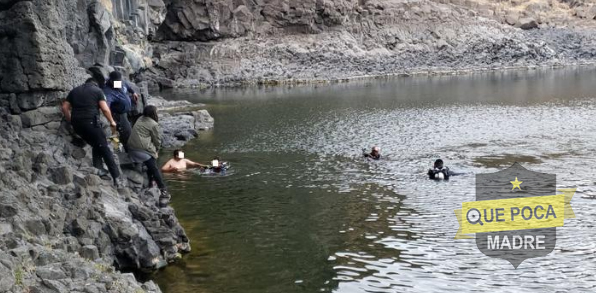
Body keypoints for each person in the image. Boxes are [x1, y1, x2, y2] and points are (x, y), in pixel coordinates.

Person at [61, 78, 124, 187]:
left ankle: (98, 169)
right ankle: (117, 178)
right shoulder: (97, 91)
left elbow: (64, 107)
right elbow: (105, 109)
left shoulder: (74, 91)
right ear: (95, 84)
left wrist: (70, 121)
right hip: (91, 123)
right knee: (104, 147)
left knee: (97, 143)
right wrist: (112, 121)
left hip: (77, 125)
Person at [127, 105, 168, 196]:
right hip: (141, 150)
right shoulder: (153, 124)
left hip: (130, 147)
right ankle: (163, 189)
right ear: (153, 113)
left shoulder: (140, 118)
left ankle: (150, 182)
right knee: (154, 168)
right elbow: (157, 140)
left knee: (150, 161)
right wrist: (156, 150)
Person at [102, 71, 138, 148]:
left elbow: (127, 86)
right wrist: (111, 120)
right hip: (118, 115)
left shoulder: (121, 82)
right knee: (126, 132)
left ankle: (120, 146)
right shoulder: (107, 91)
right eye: (116, 82)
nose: (119, 84)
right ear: (111, 81)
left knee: (120, 131)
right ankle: (120, 148)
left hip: (125, 112)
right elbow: (106, 106)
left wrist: (133, 92)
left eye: (120, 81)